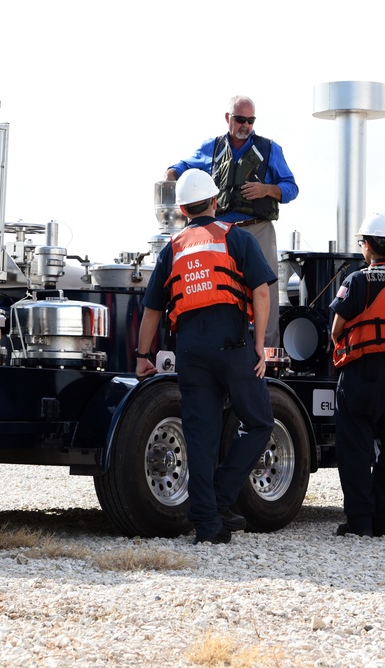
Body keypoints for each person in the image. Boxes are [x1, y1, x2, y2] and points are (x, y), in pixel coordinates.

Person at [135, 169, 277, 545]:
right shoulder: (237, 238)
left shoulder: (173, 248)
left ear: (181, 208)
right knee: (260, 422)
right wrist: (260, 344)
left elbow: (152, 310)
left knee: (200, 437)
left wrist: (141, 357)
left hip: (190, 350)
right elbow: (261, 293)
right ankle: (221, 495)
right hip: (231, 342)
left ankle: (208, 523)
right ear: (216, 202)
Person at [165, 95, 299, 348]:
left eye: (250, 120)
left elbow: (291, 188)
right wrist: (171, 175)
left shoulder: (271, 149)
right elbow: (181, 168)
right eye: (240, 119)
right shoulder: (212, 147)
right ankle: (223, 348)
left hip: (257, 228)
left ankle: (268, 352)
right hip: (220, 234)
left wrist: (266, 189)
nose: (245, 125)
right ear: (228, 118)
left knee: (265, 289)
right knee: (220, 287)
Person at [330, 212, 385, 538]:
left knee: (355, 451)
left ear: (366, 245)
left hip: (359, 373)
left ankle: (359, 523)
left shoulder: (357, 280)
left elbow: (336, 327)